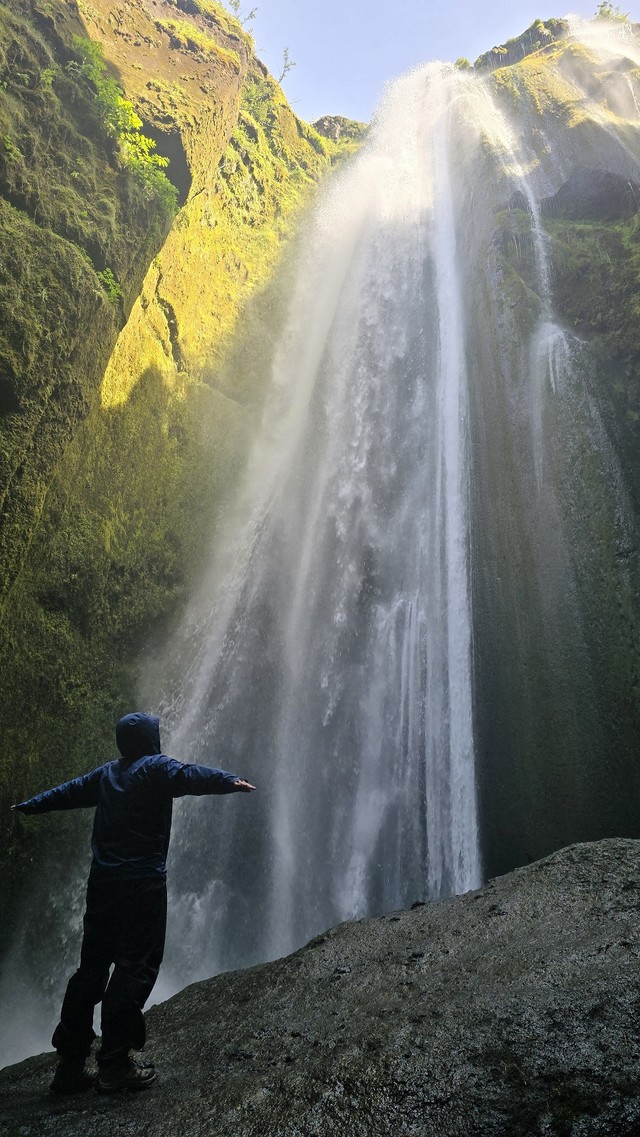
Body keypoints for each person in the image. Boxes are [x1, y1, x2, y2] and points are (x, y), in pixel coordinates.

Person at [11, 711, 255, 1095]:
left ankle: (70, 1065)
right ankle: (114, 1065)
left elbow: (69, 791)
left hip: (102, 886)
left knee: (90, 970)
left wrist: (31, 804)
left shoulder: (107, 774)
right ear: (149, 739)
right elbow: (190, 775)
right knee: (134, 968)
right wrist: (229, 781)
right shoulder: (156, 768)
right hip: (141, 886)